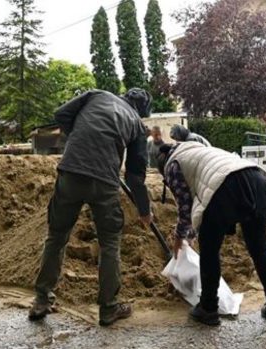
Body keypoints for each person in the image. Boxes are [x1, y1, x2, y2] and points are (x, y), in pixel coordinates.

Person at [29, 88, 153, 327]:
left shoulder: (97, 95)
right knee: (109, 243)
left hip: (71, 172)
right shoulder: (137, 125)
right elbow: (136, 177)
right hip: (104, 182)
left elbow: (61, 114)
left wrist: (79, 138)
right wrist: (144, 210)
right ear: (142, 111)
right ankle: (108, 308)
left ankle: (42, 300)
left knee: (56, 236)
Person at [156, 142, 266, 327]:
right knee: (260, 249)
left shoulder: (172, 166)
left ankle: (208, 309)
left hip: (225, 186)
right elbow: (198, 197)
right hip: (256, 180)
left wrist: (179, 238)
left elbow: (185, 207)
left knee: (209, 250)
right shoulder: (196, 149)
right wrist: (191, 234)